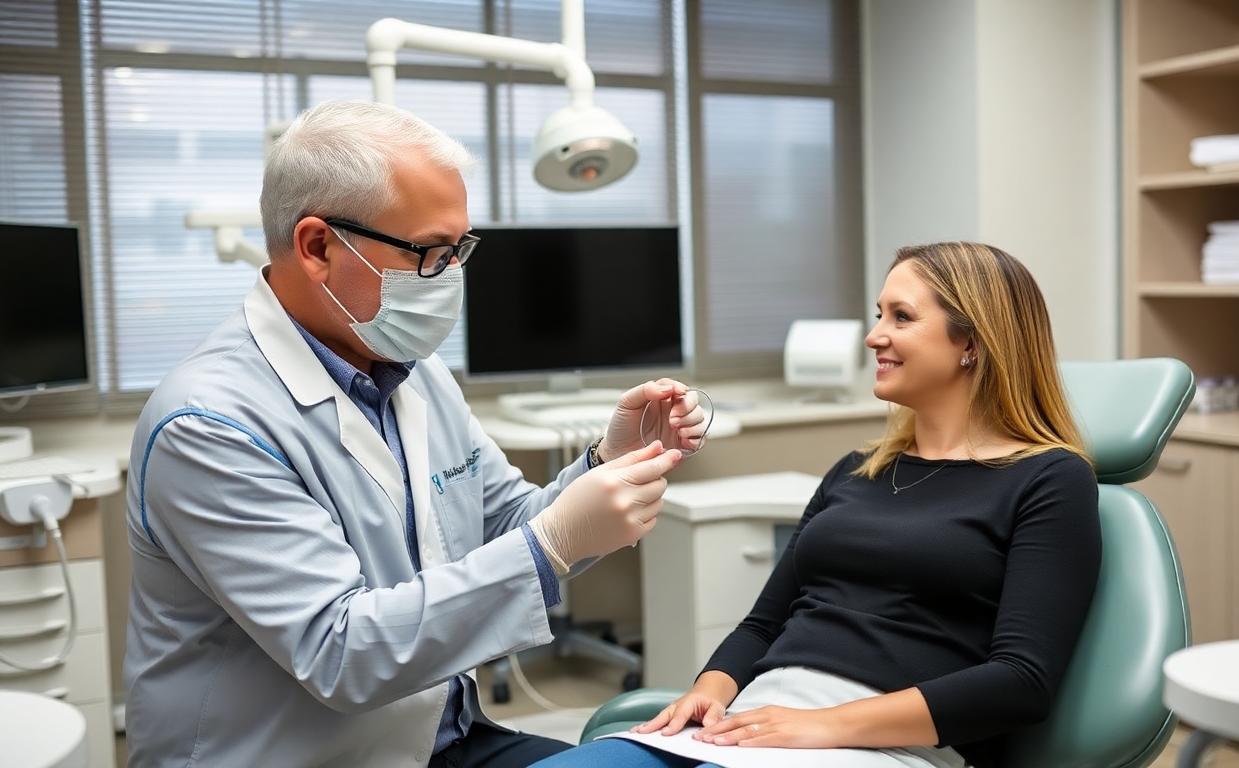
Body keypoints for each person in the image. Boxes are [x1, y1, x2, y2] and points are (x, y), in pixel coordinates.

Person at [122, 99, 708, 768]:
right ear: (317, 247)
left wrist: (607, 464)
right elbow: (339, 651)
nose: (452, 277)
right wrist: (553, 543)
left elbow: (503, 522)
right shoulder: (208, 425)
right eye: (431, 252)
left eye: (460, 250)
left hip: (440, 739)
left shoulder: (411, 373)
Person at [530, 241, 1102, 768]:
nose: (875, 335)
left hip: (887, 742)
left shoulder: (1049, 479)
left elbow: (1021, 681)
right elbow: (763, 623)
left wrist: (823, 726)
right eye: (879, 314)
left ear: (972, 342)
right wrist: (707, 693)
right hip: (755, 721)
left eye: (901, 317)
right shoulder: (858, 469)